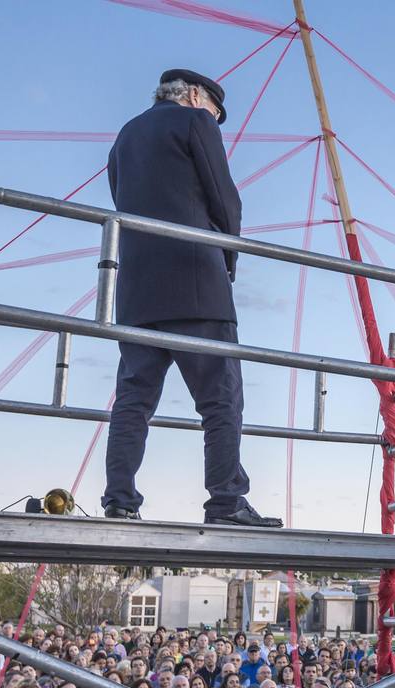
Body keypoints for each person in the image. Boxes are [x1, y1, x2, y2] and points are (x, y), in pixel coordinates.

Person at [100, 68, 281, 529]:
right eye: (216, 115)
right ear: (196, 96)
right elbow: (225, 198)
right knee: (221, 398)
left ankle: (120, 499)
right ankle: (226, 502)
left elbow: (122, 199)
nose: (215, 123)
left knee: (133, 398)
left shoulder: (124, 136)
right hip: (197, 283)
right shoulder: (194, 122)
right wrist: (229, 261)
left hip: (137, 291)